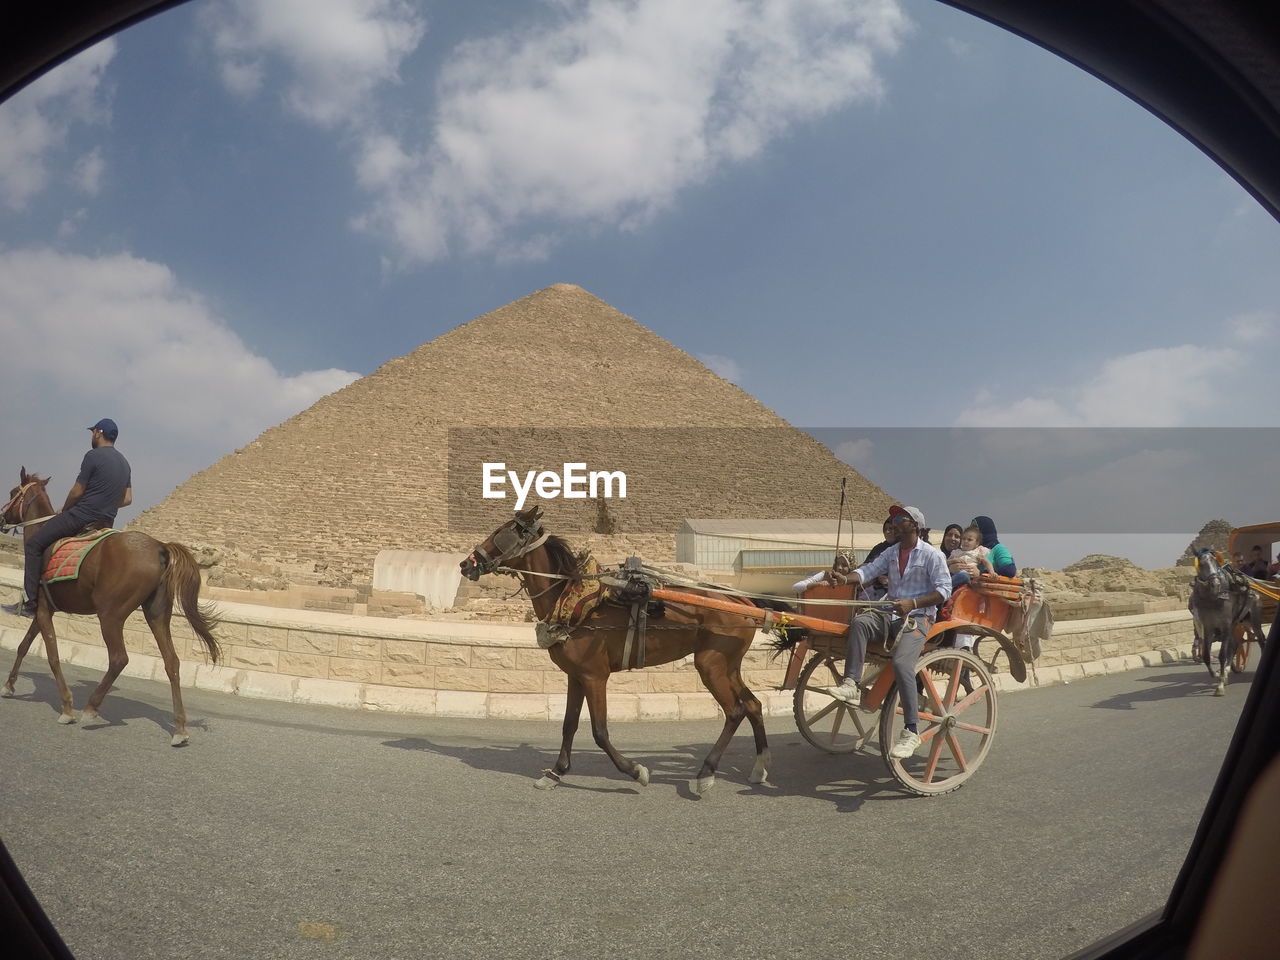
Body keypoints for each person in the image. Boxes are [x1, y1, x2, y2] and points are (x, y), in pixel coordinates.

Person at [826, 504, 952, 759]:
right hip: (892, 613)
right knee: (860, 623)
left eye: (900, 518)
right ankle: (851, 683)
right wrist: (844, 578)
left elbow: (944, 591)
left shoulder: (931, 555)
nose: (894, 521)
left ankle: (911, 730)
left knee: (902, 663)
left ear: (915, 526)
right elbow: (868, 571)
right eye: (893, 517)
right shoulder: (891, 552)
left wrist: (913, 603)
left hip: (919, 617)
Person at [3, 419, 132, 618]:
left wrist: (66, 510)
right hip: (106, 522)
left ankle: (32, 604)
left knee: (34, 544)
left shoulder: (93, 456)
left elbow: (76, 491)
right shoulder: (125, 463)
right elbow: (127, 499)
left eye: (92, 432)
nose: (92, 436)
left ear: (98, 433)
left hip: (82, 516)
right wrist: (105, 501)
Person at [949, 525, 997, 589]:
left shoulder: (977, 552)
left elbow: (986, 562)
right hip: (954, 575)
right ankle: (947, 586)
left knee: (964, 575)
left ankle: (946, 587)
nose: (966, 541)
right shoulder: (956, 552)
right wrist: (953, 561)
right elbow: (945, 564)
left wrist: (992, 572)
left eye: (969, 540)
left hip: (969, 577)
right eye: (963, 539)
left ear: (977, 543)